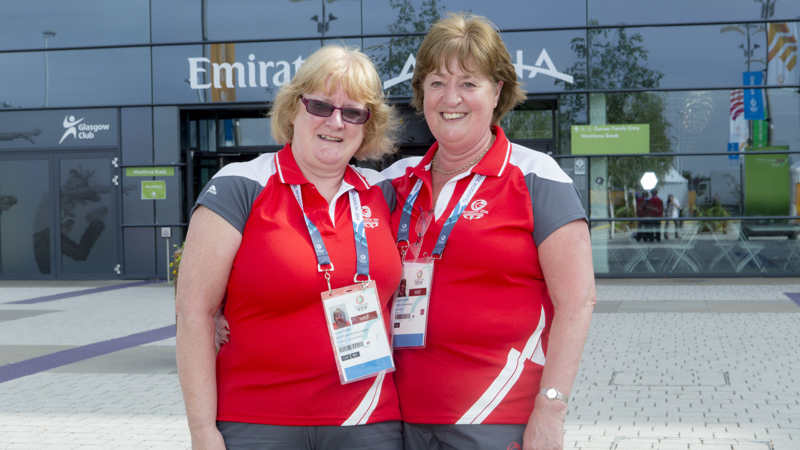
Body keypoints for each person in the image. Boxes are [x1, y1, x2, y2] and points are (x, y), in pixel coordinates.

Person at [382, 13, 595, 450]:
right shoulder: (392, 183)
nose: (450, 97)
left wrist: (551, 409)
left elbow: (577, 300)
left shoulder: (538, 177)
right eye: (437, 82)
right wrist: (226, 305)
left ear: (497, 91)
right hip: (395, 417)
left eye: (469, 83)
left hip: (495, 417)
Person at [175, 44, 404, 450]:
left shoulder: (385, 194)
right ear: (293, 108)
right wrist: (202, 431)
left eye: (353, 112)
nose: (336, 121)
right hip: (256, 421)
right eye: (320, 106)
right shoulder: (240, 186)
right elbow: (194, 312)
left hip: (368, 420)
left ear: (367, 126)